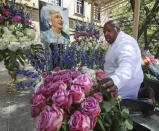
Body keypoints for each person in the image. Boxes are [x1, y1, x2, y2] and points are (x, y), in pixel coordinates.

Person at [99, 20, 144, 99]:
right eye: (104, 31)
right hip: (113, 86)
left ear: (118, 29)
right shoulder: (114, 42)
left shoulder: (126, 42)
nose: (106, 34)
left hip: (123, 91)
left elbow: (127, 64)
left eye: (109, 31)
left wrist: (116, 80)